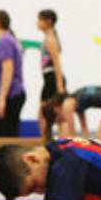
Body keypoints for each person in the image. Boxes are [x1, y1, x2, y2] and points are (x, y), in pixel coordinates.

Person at [0, 10, 27, 138]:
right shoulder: (11, 39)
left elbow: (8, 70)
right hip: (15, 94)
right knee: (7, 135)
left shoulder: (5, 41)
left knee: (0, 138)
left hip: (12, 95)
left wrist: (2, 99)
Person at [36, 9, 68, 141]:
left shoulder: (50, 39)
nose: (37, 23)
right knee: (47, 113)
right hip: (49, 78)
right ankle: (49, 140)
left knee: (53, 114)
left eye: (39, 20)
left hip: (53, 78)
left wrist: (60, 86)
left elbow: (56, 62)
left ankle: (58, 141)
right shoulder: (48, 38)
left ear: (48, 22)